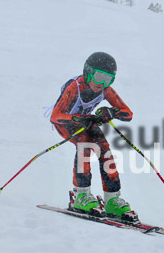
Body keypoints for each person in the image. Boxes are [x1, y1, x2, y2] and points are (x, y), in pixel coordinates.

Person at [51, 52, 138, 222]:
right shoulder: (75, 87)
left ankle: (112, 198)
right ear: (88, 72)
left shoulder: (105, 90)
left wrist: (111, 112)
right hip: (66, 123)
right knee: (84, 143)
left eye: (108, 79)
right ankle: (81, 195)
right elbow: (55, 116)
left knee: (104, 148)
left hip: (86, 122)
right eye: (98, 77)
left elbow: (128, 114)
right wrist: (77, 118)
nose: (101, 84)